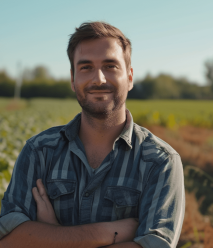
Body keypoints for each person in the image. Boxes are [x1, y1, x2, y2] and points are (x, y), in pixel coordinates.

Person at [0, 21, 185, 248]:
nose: (99, 79)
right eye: (86, 67)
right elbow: (8, 241)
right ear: (72, 78)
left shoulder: (160, 161)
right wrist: (107, 233)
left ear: (129, 77)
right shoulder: (38, 152)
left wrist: (50, 237)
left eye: (110, 66)